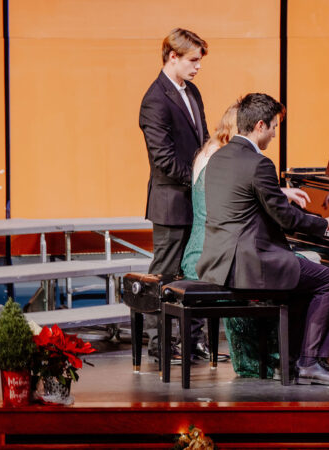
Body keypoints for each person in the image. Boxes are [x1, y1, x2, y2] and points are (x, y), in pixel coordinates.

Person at [196, 93, 329, 385]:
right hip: (251, 263)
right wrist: (326, 222)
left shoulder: (219, 157)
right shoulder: (260, 164)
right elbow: (286, 218)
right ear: (259, 125)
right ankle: (309, 363)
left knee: (305, 278)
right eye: (273, 127)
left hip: (219, 261)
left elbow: (248, 202)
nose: (273, 134)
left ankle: (292, 358)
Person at [139, 28, 210, 361]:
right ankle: (160, 343)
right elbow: (163, 159)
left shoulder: (192, 91)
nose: (198, 67)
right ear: (173, 57)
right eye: (193, 60)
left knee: (195, 271)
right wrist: (196, 179)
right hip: (171, 202)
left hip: (194, 200)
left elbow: (204, 140)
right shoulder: (154, 99)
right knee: (165, 273)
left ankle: (191, 340)